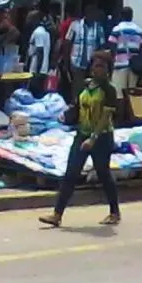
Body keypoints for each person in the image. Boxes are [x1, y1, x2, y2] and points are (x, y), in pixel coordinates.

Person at [40, 50, 121, 228]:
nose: (96, 69)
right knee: (71, 173)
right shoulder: (86, 86)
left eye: (101, 66)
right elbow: (77, 107)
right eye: (95, 65)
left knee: (103, 173)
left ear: (108, 70)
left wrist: (93, 139)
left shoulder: (109, 90)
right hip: (82, 133)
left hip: (101, 137)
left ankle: (114, 211)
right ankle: (57, 214)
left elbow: (105, 118)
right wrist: (67, 115)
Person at [64, 6, 106, 88]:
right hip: (76, 62)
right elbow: (67, 43)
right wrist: (66, 63)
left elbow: (102, 46)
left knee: (91, 87)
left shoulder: (98, 27)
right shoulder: (75, 25)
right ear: (86, 14)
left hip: (91, 64)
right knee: (77, 87)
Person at [107, 6, 142, 94]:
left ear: (121, 16)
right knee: (132, 93)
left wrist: (112, 63)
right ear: (132, 16)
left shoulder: (117, 29)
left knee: (119, 93)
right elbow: (141, 47)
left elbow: (112, 46)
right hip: (134, 66)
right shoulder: (139, 30)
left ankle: (121, 108)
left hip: (120, 64)